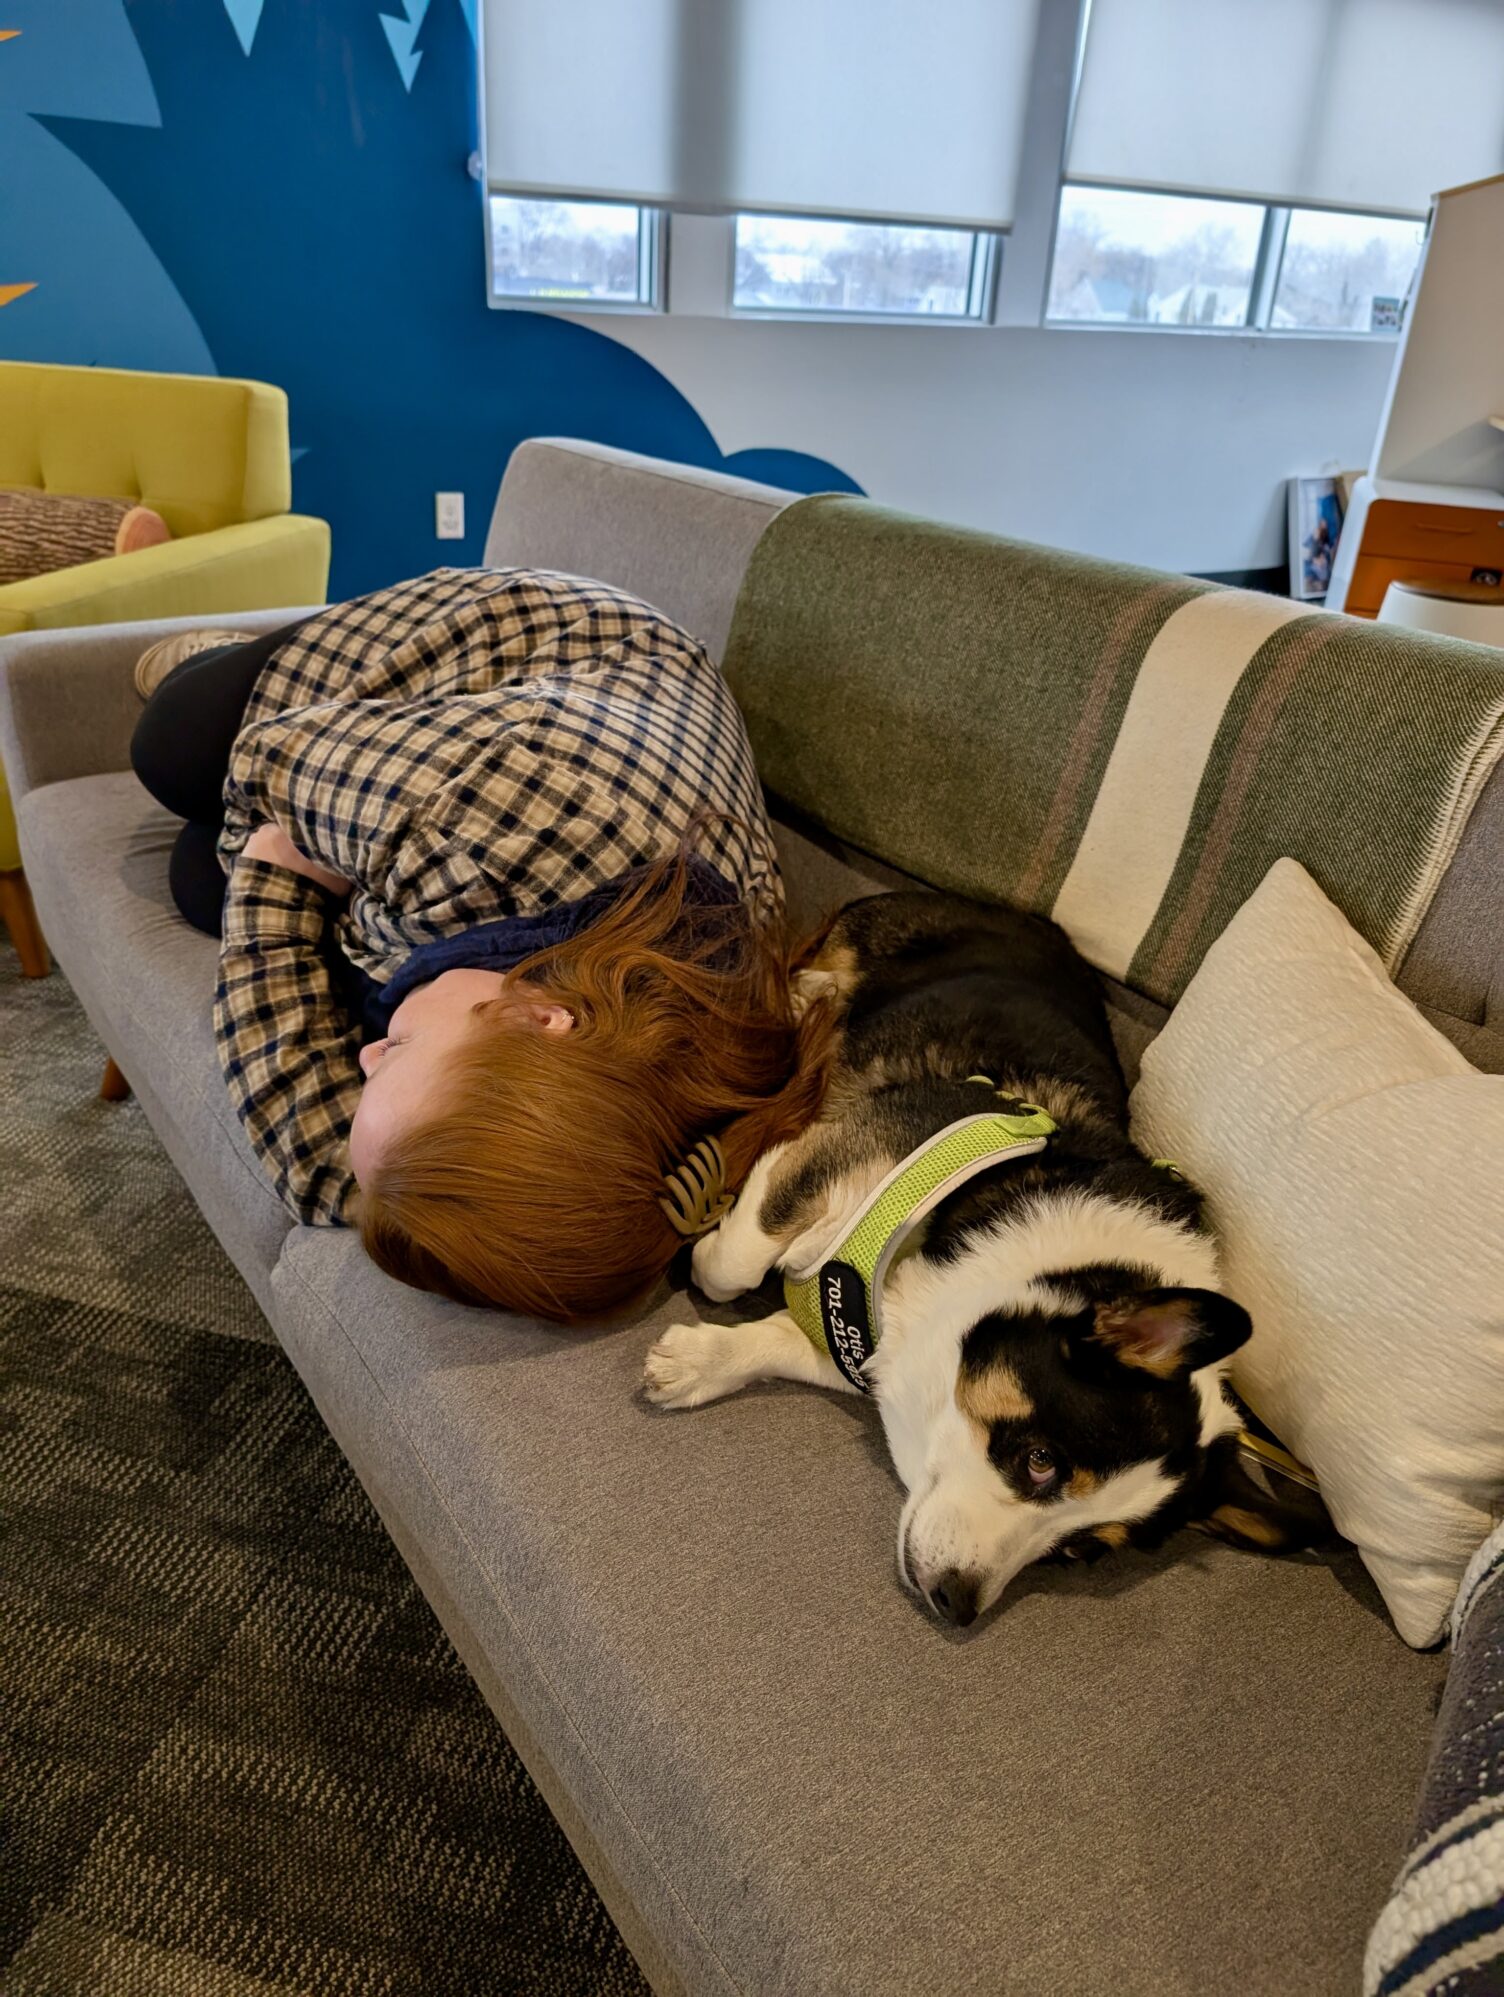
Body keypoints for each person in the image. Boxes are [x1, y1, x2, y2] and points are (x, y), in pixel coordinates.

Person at [129, 567, 828, 1322]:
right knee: (174, 746)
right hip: (540, 648)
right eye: (392, 1052)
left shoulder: (615, 1119)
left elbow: (329, 1177)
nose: (363, 1060)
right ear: (540, 1016)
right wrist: (272, 858)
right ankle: (219, 654)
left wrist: (274, 877)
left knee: (198, 884)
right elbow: (271, 769)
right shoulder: (466, 824)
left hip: (510, 830)